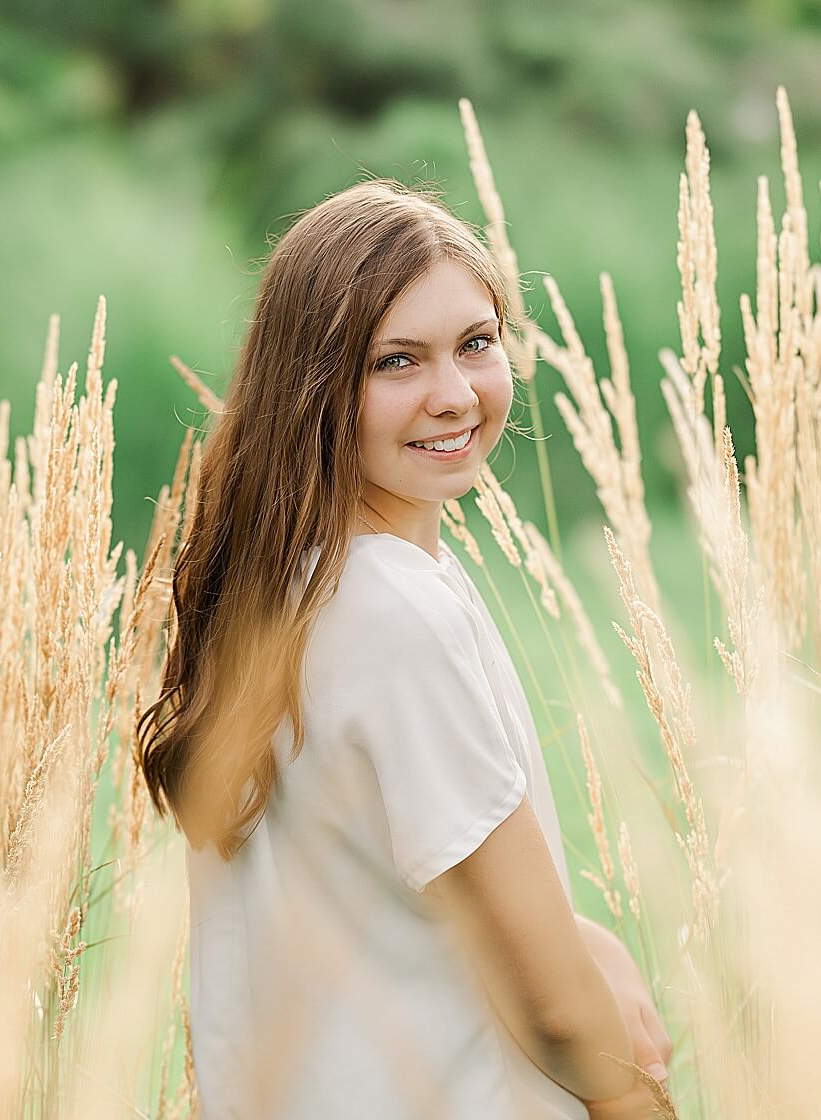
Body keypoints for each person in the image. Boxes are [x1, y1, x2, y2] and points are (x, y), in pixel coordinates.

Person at [136, 180, 674, 1118]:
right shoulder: (395, 613)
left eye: (476, 343)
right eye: (396, 362)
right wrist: (635, 1104)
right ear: (315, 387)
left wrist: (585, 934)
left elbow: (405, 875)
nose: (455, 394)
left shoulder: (288, 586)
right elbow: (551, 1007)